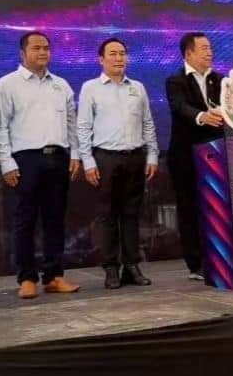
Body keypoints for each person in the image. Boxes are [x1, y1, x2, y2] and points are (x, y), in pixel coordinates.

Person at [0, 31, 82, 299]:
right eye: (36, 48)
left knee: (55, 219)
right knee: (25, 220)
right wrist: (6, 162)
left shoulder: (61, 85)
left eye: (46, 48)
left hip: (59, 157)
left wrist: (75, 154)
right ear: (23, 53)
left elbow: (71, 124)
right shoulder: (7, 84)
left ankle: (53, 276)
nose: (42, 52)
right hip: (25, 159)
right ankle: (27, 278)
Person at [77, 38, 159, 289]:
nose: (118, 58)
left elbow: (147, 123)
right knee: (107, 216)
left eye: (122, 53)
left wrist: (152, 155)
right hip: (105, 158)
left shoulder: (138, 88)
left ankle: (131, 266)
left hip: (135, 156)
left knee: (131, 214)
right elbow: (83, 127)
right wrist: (88, 161)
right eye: (112, 53)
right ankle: (110, 268)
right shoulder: (90, 88)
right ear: (101, 59)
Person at [165, 32, 225, 280]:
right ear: (189, 53)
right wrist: (202, 116)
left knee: (216, 208)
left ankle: (220, 257)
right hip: (185, 156)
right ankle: (196, 263)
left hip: (216, 154)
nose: (210, 52)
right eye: (204, 48)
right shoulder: (175, 81)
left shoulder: (220, 79)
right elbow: (180, 107)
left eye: (210, 48)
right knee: (189, 209)